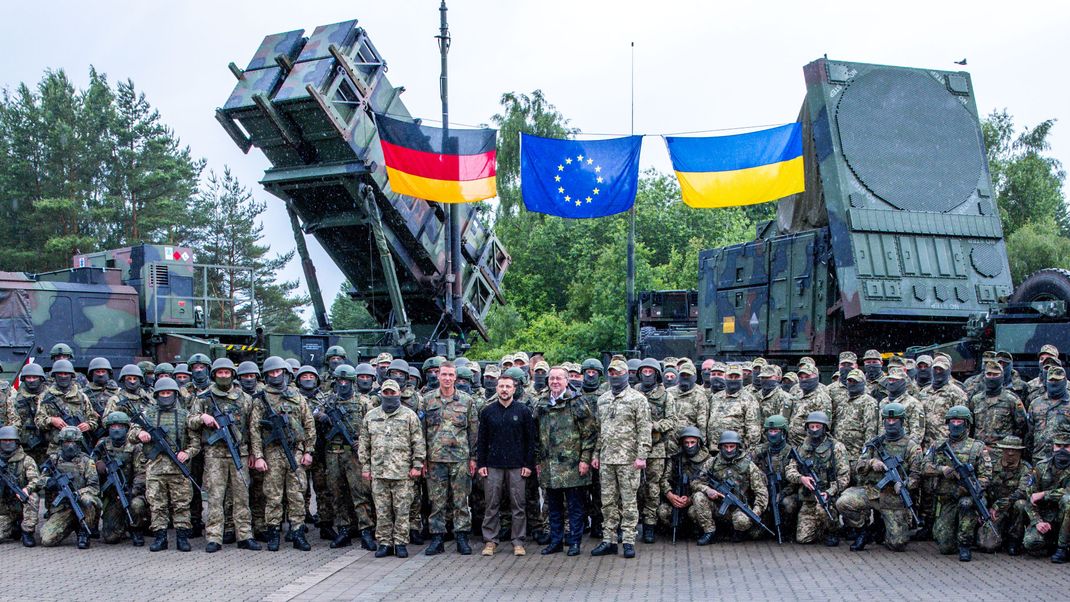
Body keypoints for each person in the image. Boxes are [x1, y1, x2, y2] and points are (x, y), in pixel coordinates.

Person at [189, 358, 260, 553]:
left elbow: (253, 429)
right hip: (214, 454)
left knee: (241, 496)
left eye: (226, 373)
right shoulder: (204, 398)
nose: (223, 376)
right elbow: (190, 422)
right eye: (219, 373)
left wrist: (255, 453)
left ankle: (244, 535)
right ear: (214, 375)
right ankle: (214, 537)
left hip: (239, 452)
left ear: (232, 375)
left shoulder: (245, 399)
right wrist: (202, 417)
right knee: (215, 497)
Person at [249, 356, 317, 552]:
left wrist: (308, 451)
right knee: (273, 495)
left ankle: (297, 533)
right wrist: (259, 456)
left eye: (278, 372)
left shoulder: (297, 397)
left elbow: (309, 425)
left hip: (295, 452)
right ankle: (273, 532)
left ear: (285, 373)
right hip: (272, 453)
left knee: (296, 494)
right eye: (271, 373)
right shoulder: (261, 399)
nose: (275, 376)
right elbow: (254, 430)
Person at [838, 402, 923, 552]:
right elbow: (858, 466)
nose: (890, 423)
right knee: (843, 502)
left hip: (894, 498)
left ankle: (881, 526)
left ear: (902, 421)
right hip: (873, 492)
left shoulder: (912, 447)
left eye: (894, 420)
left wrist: (905, 484)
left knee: (897, 544)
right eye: (888, 420)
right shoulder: (875, 443)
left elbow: (917, 476)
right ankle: (862, 531)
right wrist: (871, 462)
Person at [534, 366, 597, 556]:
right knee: (553, 508)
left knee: (575, 507)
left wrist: (585, 459)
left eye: (559, 379)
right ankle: (555, 541)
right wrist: (538, 461)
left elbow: (590, 433)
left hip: (573, 465)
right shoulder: (542, 403)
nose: (554, 382)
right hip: (550, 465)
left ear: (567, 381)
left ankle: (575, 542)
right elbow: (536, 435)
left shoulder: (577, 402)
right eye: (551, 378)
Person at [591, 359, 651, 559]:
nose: (615, 376)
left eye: (618, 373)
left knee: (629, 502)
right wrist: (596, 454)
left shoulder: (637, 399)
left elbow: (644, 428)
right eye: (612, 373)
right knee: (607, 502)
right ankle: (608, 540)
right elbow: (600, 431)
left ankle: (628, 540)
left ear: (626, 374)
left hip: (629, 460)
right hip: (607, 459)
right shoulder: (603, 399)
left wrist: (642, 456)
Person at [360, 379, 425, 559]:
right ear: (381, 394)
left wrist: (417, 465)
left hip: (402, 473)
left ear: (398, 394)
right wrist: (366, 467)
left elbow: (418, 442)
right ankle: (384, 543)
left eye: (392, 393)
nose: (389, 396)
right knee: (382, 511)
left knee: (402, 510)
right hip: (379, 473)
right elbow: (364, 444)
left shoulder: (409, 416)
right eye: (386, 393)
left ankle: (400, 542)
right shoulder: (371, 416)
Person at [421, 361, 479, 556]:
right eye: (443, 374)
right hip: (435, 459)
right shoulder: (427, 400)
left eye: (450, 375)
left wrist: (473, 457)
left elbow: (473, 431)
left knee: (461, 500)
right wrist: (422, 459)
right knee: (437, 501)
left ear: (455, 377)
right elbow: (421, 432)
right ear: (438, 376)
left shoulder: (466, 401)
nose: (447, 378)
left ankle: (461, 537)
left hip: (460, 459)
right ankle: (437, 537)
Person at [476, 371, 536, 557]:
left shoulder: (523, 411)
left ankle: (518, 541)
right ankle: (490, 541)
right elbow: (482, 440)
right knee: (491, 504)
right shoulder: (487, 411)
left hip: (517, 466)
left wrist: (528, 464)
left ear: (514, 389)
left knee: (518, 505)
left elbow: (530, 441)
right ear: (496, 388)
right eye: (501, 386)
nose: (504, 390)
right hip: (493, 465)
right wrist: (481, 464)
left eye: (508, 386)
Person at [317, 365, 376, 551]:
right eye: (340, 381)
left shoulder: (364, 402)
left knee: (360, 493)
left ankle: (366, 529)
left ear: (353, 382)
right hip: (333, 454)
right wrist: (323, 417)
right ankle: (343, 529)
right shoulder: (328, 400)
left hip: (354, 454)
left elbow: (372, 427)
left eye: (347, 382)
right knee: (337, 493)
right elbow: (313, 413)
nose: (343, 385)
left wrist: (363, 445)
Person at [923, 405, 992, 561]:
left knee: (967, 504)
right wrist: (942, 469)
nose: (955, 425)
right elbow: (923, 466)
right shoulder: (938, 445)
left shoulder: (977, 447)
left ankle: (965, 545)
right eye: (952, 421)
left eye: (959, 421)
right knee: (945, 546)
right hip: (946, 498)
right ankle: (953, 536)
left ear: (966, 424)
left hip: (967, 496)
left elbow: (986, 476)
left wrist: (968, 488)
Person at [140, 378, 200, 552]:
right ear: (157, 395)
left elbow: (195, 443)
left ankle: (182, 537)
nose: (166, 396)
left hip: (178, 469)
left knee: (181, 504)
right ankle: (160, 538)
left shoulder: (184, 415)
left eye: (169, 393)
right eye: (163, 393)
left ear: (175, 395)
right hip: (155, 468)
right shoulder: (148, 414)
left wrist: (187, 453)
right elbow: (132, 432)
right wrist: (140, 433)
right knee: (157, 505)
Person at [785, 411, 850, 546]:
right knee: (803, 538)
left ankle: (832, 530)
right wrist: (801, 478)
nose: (814, 430)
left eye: (817, 427)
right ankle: (819, 528)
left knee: (824, 510)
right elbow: (790, 470)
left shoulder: (836, 447)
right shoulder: (802, 447)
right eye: (811, 427)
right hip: (808, 499)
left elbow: (844, 477)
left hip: (829, 498)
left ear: (825, 428)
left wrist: (829, 492)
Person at [693, 430, 768, 542]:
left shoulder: (748, 465)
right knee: (698, 497)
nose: (728, 450)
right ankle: (709, 532)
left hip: (738, 508)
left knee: (742, 521)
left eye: (732, 446)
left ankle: (738, 532)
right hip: (716, 505)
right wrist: (707, 489)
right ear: (720, 447)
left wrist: (755, 512)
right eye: (725, 447)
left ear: (737, 447)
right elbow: (695, 482)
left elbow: (761, 492)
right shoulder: (712, 463)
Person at [90, 412, 148, 547]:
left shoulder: (135, 445)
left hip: (131, 492)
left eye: (120, 426)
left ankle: (136, 529)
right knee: (110, 538)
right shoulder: (103, 443)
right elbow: (90, 462)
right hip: (112, 493)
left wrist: (132, 492)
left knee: (136, 506)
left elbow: (141, 473)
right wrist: (99, 465)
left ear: (127, 428)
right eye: (113, 426)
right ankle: (121, 526)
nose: (116, 429)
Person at [635, 358, 677, 544]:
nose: (647, 374)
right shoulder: (632, 392)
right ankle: (631, 525)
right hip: (633, 447)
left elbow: (671, 421)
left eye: (650, 371)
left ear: (656, 374)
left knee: (652, 488)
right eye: (643, 371)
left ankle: (650, 526)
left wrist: (654, 426)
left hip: (656, 448)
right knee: (632, 487)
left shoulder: (665, 395)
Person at [38, 426, 100, 549]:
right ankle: (70, 525)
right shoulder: (53, 460)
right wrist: (50, 481)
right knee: (47, 539)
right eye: (67, 442)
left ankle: (84, 532)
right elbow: (38, 481)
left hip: (80, 504)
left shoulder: (87, 461)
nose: (70, 446)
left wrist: (78, 493)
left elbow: (94, 487)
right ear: (61, 443)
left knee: (88, 500)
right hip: (62, 507)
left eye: (73, 442)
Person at [658, 427, 716, 545]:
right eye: (686, 443)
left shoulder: (708, 460)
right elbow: (664, 480)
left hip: (696, 501)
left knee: (693, 512)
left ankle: (701, 530)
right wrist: (670, 495)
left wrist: (690, 499)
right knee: (663, 511)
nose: (689, 446)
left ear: (698, 442)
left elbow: (710, 484)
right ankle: (680, 529)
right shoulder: (675, 459)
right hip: (677, 498)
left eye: (692, 442)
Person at [978, 435, 1031, 556]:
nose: (1010, 453)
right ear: (1002, 450)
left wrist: (998, 505)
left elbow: (1021, 492)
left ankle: (1014, 540)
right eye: (1007, 449)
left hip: (1012, 511)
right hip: (994, 512)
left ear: (1020, 451)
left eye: (1014, 450)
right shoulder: (991, 466)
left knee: (1021, 504)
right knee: (987, 546)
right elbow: (983, 487)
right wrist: (983, 507)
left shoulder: (1025, 469)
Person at [1021, 432, 1070, 562]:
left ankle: (1062, 548)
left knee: (1068, 500)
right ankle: (1051, 543)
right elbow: (1030, 498)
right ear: (1053, 447)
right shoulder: (1041, 467)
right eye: (1058, 446)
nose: (1062, 450)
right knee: (1031, 542)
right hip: (1046, 517)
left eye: (1067, 446)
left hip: (1065, 515)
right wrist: (1037, 521)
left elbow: (1067, 492)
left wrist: (1044, 494)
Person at [0, 425, 39, 547]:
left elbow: (36, 480)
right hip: (4, 508)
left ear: (17, 442)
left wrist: (27, 489)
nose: (7, 443)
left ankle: (27, 532)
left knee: (32, 497)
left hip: (20, 503)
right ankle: (13, 527)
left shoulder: (26, 460)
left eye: (10, 440)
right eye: (4, 440)